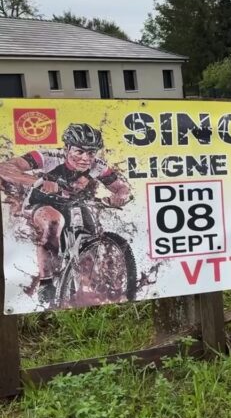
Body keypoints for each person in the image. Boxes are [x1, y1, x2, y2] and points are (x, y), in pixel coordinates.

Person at [0, 123, 132, 295]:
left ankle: (83, 287)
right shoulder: (48, 156)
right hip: (41, 203)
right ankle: (46, 283)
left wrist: (118, 197)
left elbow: (122, 189)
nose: (86, 158)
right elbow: (4, 168)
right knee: (54, 221)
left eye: (91, 152)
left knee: (92, 235)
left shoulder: (97, 165)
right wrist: (38, 182)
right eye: (79, 151)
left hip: (74, 204)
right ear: (66, 149)